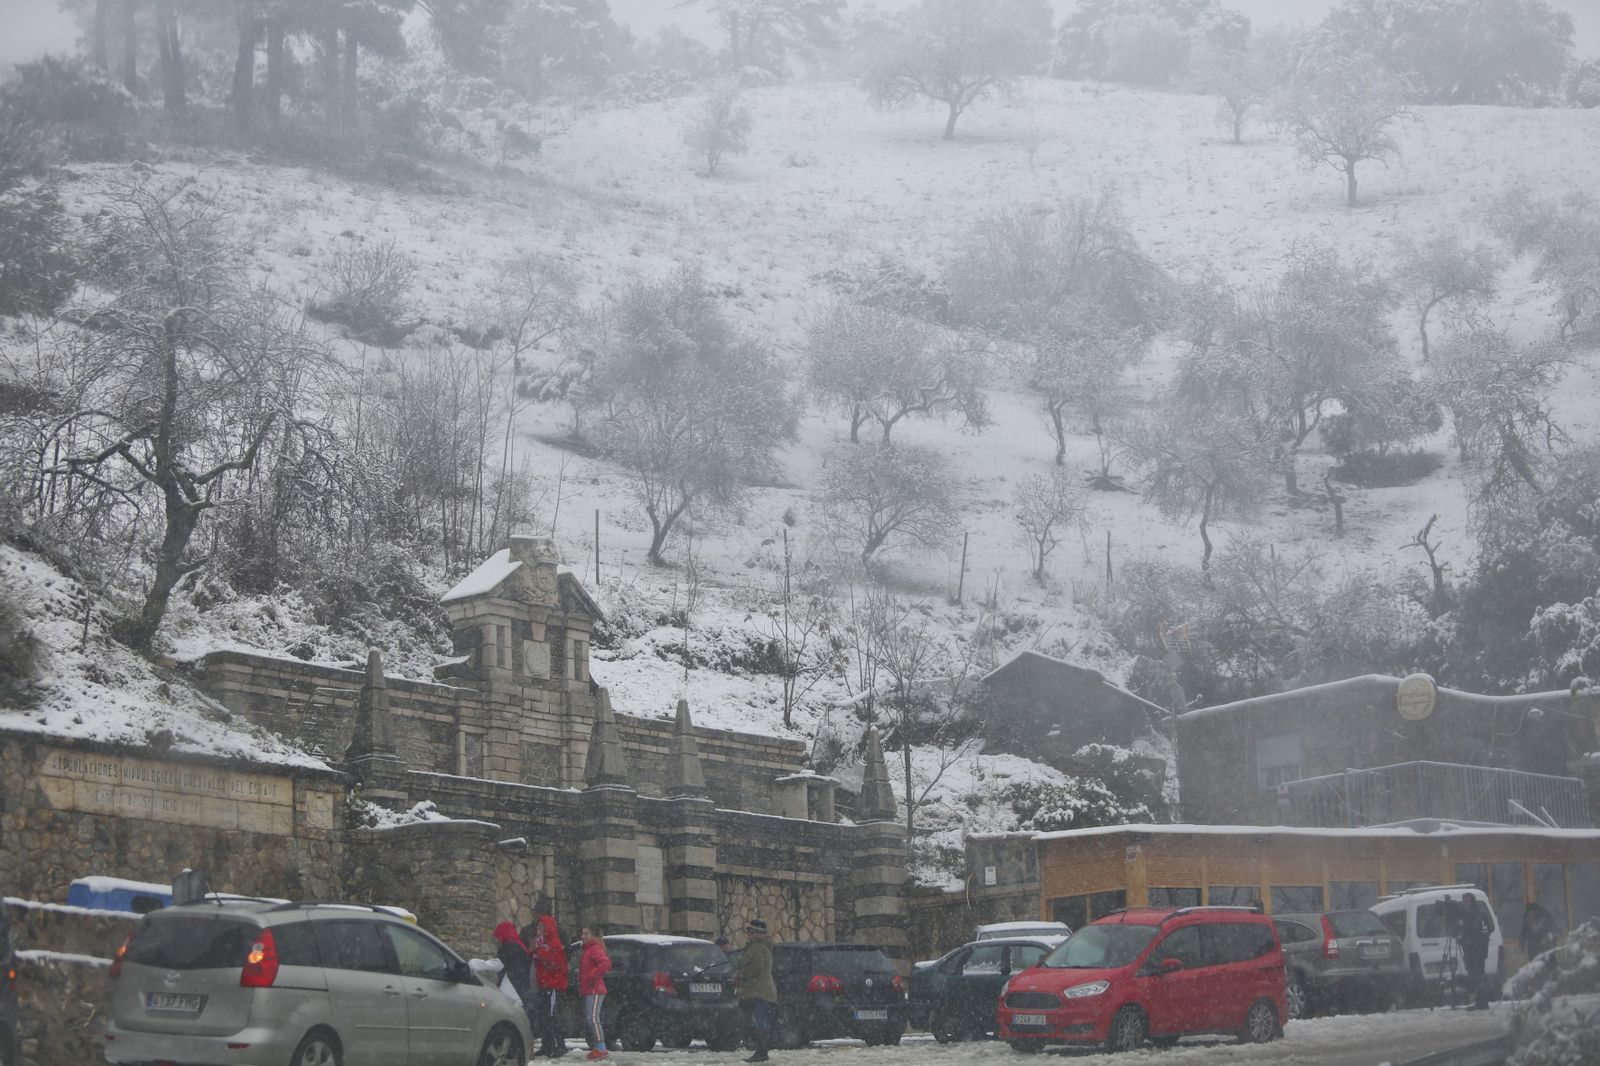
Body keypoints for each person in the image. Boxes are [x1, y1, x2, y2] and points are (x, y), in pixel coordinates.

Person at [734, 918, 776, 1064]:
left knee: (758, 1021)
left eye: (750, 931)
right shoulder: (764, 946)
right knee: (760, 1020)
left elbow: (757, 966)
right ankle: (762, 1050)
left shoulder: (757, 947)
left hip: (758, 991)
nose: (747, 934)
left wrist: (740, 974)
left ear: (756, 933)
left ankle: (761, 1051)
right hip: (762, 990)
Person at [531, 906, 570, 1059]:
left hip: (553, 984)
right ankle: (547, 1045)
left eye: (541, 926)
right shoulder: (543, 942)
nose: (538, 929)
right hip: (545, 983)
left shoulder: (554, 944)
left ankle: (560, 1045)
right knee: (545, 1016)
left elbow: (555, 963)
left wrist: (539, 951)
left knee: (552, 1016)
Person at [492, 921, 537, 1035]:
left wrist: (476, 964)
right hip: (520, 987)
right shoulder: (519, 946)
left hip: (512, 987)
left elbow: (499, 964)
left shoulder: (509, 946)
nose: (497, 940)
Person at [578, 926, 612, 1061]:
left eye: (586, 933)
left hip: (596, 989)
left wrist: (592, 976)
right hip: (589, 989)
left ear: (593, 935)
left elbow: (606, 964)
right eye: (582, 933)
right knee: (590, 1019)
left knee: (593, 1019)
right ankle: (598, 1047)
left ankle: (602, 1048)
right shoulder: (587, 950)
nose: (583, 936)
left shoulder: (595, 949)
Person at [1458, 896, 1493, 1011]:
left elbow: (1490, 927)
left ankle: (1483, 1001)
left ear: (1472, 902)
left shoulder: (1479, 914)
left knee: (1478, 976)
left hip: (1478, 950)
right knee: (1474, 976)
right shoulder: (1464, 914)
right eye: (1464, 901)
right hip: (1469, 949)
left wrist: (1481, 937)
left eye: (1467, 901)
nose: (1465, 903)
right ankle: (1480, 1001)